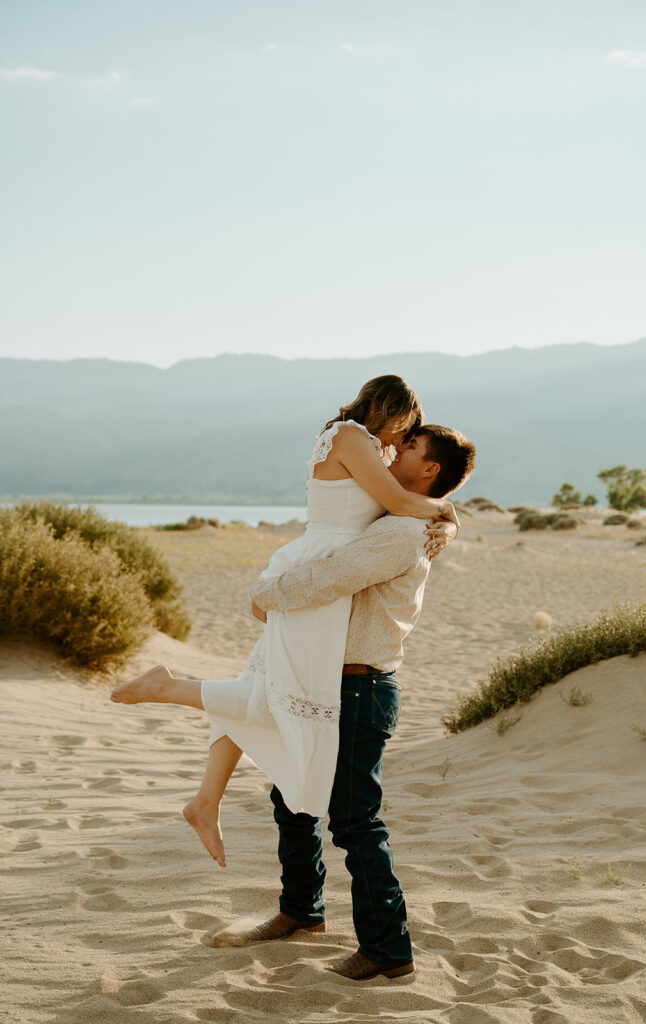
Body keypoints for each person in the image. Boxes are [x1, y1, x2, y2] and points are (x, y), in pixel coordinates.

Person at [110, 376, 460, 869]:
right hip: (318, 574)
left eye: (410, 440)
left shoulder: (367, 447)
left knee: (265, 685)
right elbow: (402, 504)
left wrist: (446, 517)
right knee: (278, 697)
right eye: (406, 429)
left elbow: (398, 505)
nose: (402, 442)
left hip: (329, 579)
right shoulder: (350, 437)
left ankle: (205, 800)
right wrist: (449, 510)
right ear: (394, 410)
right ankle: (170, 691)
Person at [209, 423, 476, 980]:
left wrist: (267, 597)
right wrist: (450, 517)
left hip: (359, 688)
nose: (394, 450)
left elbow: (335, 575)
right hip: (324, 680)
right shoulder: (398, 516)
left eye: (409, 448)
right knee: (291, 797)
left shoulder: (403, 530)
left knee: (356, 824)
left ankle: (387, 951)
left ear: (429, 471)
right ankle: (301, 912)